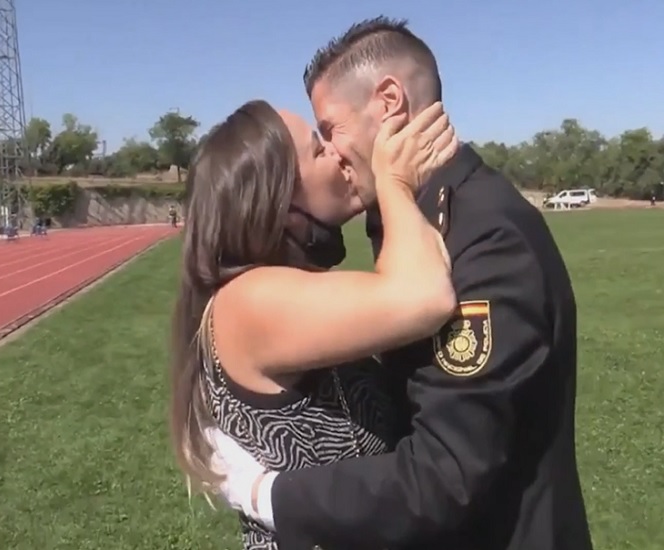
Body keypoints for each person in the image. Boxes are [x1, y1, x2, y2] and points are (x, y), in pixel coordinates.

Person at [208, 17, 594, 550]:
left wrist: (268, 496)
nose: (333, 154)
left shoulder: (483, 235)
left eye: (329, 130)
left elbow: (444, 476)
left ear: (388, 102)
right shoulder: (412, 220)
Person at [169, 98, 459, 550]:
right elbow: (425, 296)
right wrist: (394, 182)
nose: (338, 153)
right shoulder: (249, 301)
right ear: (281, 206)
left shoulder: (286, 288)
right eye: (319, 149)